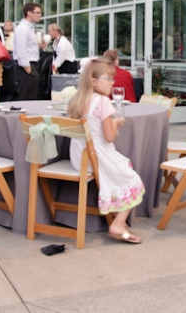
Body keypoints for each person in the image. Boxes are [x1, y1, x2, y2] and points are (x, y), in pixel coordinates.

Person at [67, 59, 145, 244]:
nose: (112, 83)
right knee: (133, 180)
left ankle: (117, 214)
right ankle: (118, 223)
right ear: (94, 81)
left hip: (79, 157)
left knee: (123, 165)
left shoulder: (78, 100)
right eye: (108, 79)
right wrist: (116, 124)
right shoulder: (103, 102)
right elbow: (109, 137)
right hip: (96, 156)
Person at [14, 2, 42, 101]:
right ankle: (24, 117)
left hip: (30, 65)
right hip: (26, 66)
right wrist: (29, 71)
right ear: (29, 13)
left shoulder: (29, 28)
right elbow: (21, 51)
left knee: (31, 97)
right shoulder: (23, 29)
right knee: (26, 98)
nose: (40, 15)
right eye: (37, 13)